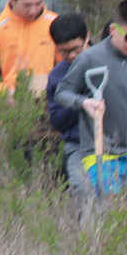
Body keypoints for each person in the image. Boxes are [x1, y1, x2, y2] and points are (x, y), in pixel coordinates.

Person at [54, 0, 127, 209]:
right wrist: (84, 103)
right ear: (113, 30)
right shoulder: (89, 58)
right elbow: (62, 92)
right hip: (101, 151)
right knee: (112, 212)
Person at [45, 14, 91, 195]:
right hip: (79, 144)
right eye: (64, 51)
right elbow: (58, 121)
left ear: (87, 37)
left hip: (116, 143)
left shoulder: (107, 59)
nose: (71, 56)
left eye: (76, 49)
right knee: (83, 189)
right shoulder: (57, 76)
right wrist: (78, 100)